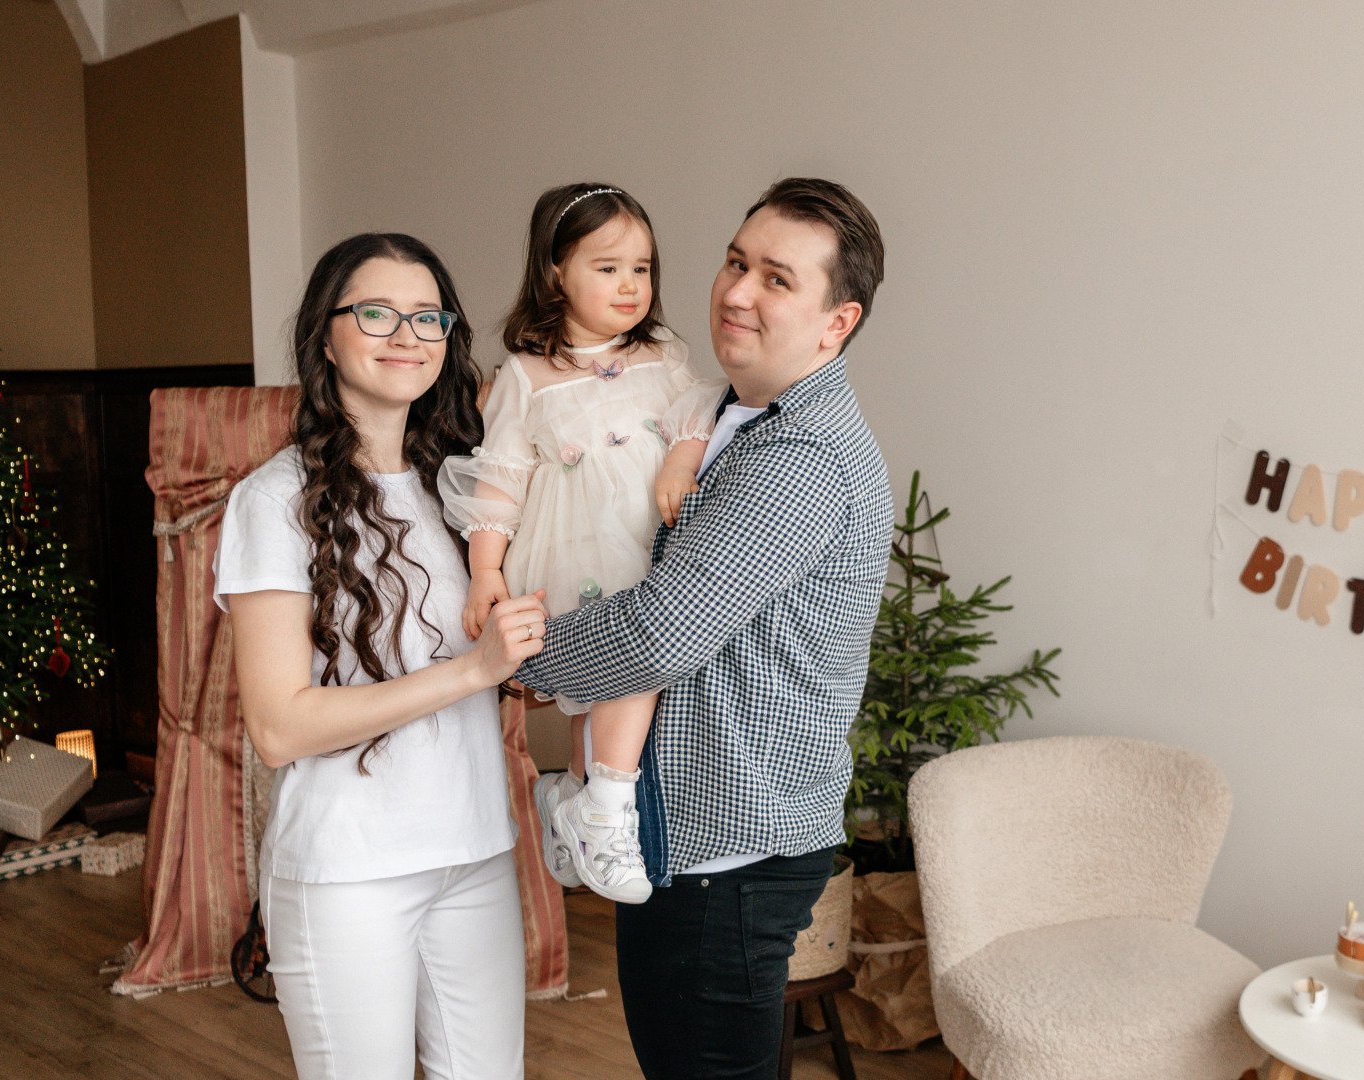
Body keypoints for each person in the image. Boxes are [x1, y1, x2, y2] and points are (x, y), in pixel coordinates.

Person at [516, 177, 896, 1079]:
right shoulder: (729, 412)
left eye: (776, 278)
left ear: (834, 323)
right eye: (735, 261)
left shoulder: (801, 456)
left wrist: (518, 659)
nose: (735, 291)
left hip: (727, 853)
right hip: (701, 833)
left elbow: (658, 634)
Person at [216, 232, 548, 1080]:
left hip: (474, 851)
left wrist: (521, 669)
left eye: (427, 316)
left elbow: (485, 653)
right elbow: (280, 726)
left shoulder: (465, 489)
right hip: (348, 873)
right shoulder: (273, 501)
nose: (407, 334)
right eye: (377, 312)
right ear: (325, 336)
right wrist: (471, 671)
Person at [437, 182, 722, 904]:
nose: (631, 286)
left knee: (630, 677)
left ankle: (577, 797)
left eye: (643, 267)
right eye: (608, 267)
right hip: (575, 552)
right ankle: (605, 808)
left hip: (652, 545)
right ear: (554, 273)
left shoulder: (662, 355)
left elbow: (702, 417)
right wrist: (484, 572)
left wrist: (683, 460)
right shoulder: (527, 378)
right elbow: (499, 481)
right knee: (618, 676)